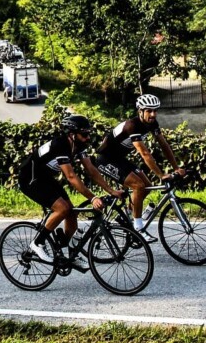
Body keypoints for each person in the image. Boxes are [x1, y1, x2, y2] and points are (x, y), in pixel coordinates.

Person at [16, 113, 123, 270]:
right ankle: (37, 243)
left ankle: (65, 252)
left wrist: (111, 190)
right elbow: (71, 177)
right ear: (72, 135)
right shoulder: (61, 145)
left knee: (71, 212)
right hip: (30, 179)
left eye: (89, 134)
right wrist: (93, 198)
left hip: (46, 178)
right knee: (63, 208)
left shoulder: (78, 146)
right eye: (84, 134)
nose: (88, 138)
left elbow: (91, 170)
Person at [93, 93, 188, 238]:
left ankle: (130, 218)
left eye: (155, 110)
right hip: (105, 159)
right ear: (140, 111)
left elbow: (164, 146)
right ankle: (138, 228)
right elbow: (144, 153)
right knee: (138, 185)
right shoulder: (132, 125)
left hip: (119, 159)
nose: (153, 114)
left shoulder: (152, 124)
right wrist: (161, 175)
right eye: (149, 111)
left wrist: (176, 168)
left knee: (147, 185)